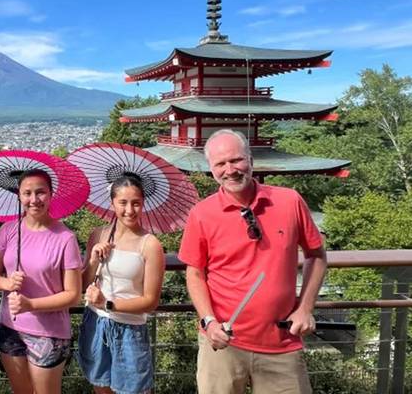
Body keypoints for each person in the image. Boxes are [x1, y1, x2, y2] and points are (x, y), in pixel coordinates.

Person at [179, 129, 327, 394]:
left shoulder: (288, 201)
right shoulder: (202, 214)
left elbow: (316, 255)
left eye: (236, 160)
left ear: (251, 159)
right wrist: (208, 322)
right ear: (211, 169)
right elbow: (195, 273)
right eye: (220, 164)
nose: (230, 170)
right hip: (223, 341)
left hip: (281, 340)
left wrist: (305, 308)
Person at [0, 169, 83, 394]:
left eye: (40, 192)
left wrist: (31, 305)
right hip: (10, 326)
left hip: (49, 332)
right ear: (19, 196)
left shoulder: (65, 238)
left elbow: (73, 294)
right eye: (27, 193)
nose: (33, 199)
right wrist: (6, 283)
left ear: (50, 195)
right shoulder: (8, 231)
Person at [78, 175, 165, 394]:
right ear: (112, 203)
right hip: (96, 323)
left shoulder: (150, 244)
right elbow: (82, 284)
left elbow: (151, 301)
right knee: (101, 387)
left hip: (130, 328)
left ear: (143, 203)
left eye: (136, 203)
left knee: (135, 390)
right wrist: (93, 260)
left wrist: (107, 303)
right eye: (123, 203)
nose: (129, 210)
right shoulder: (98, 235)